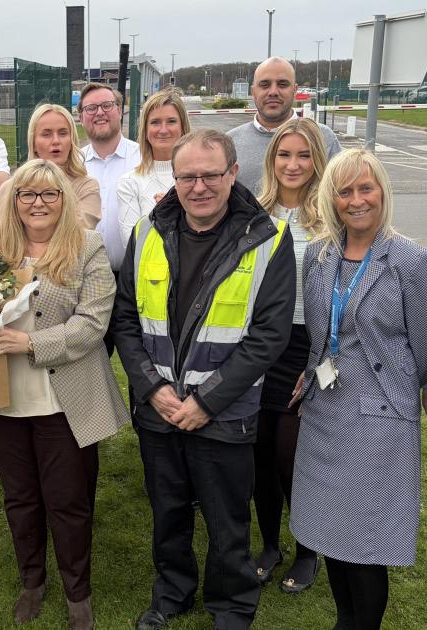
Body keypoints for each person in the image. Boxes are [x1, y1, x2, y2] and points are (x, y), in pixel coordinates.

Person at [0, 159, 129, 630]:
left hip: (65, 400)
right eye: (27, 194)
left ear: (64, 199)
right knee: (20, 498)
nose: (37, 203)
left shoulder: (88, 248)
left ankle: (78, 592)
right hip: (4, 398)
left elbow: (93, 324)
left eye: (49, 194)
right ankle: (32, 581)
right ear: (13, 201)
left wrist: (30, 343)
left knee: (69, 500)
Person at [113, 129, 296, 630]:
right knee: (168, 512)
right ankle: (171, 593)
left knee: (227, 521)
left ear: (233, 173)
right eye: (187, 176)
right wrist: (153, 390)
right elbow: (126, 321)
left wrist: (207, 402)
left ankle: (232, 606)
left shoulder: (269, 238)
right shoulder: (147, 232)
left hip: (225, 414)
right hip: (160, 410)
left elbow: (269, 335)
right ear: (174, 178)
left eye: (210, 175)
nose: (198, 187)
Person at [289, 148, 427, 630]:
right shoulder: (319, 255)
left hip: (378, 416)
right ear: (331, 199)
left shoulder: (410, 261)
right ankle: (344, 621)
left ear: (382, 192)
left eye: (365, 188)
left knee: (366, 541)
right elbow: (318, 330)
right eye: (345, 190)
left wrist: (399, 387)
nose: (356, 200)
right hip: (325, 410)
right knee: (329, 531)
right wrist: (314, 367)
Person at [250, 117, 331, 594]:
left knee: (291, 457)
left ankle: (307, 549)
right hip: (262, 347)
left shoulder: (331, 217)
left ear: (316, 161)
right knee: (258, 455)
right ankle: (268, 543)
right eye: (284, 155)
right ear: (272, 160)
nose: (293, 164)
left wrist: (321, 359)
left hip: (310, 348)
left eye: (303, 156)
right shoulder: (255, 213)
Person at [227, 57, 342, 192]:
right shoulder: (230, 142)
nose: (273, 92)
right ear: (253, 91)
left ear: (294, 89)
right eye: (265, 85)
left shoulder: (324, 138)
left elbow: (340, 192)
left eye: (282, 84)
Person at [0, 104, 100, 231]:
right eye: (46, 134)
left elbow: (79, 232)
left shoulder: (86, 186)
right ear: (33, 143)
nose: (56, 141)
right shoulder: (10, 188)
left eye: (63, 133)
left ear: (71, 140)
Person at [78, 83, 140, 272]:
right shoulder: (74, 164)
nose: (99, 113)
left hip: (133, 279)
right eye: (91, 108)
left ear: (120, 110)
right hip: (83, 279)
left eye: (107, 105)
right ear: (81, 117)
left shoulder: (143, 159)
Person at [116, 88, 190, 245]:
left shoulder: (202, 178)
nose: (163, 130)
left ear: (183, 126)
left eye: (171, 121)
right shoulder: (130, 183)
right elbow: (133, 246)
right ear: (145, 130)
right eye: (155, 122)